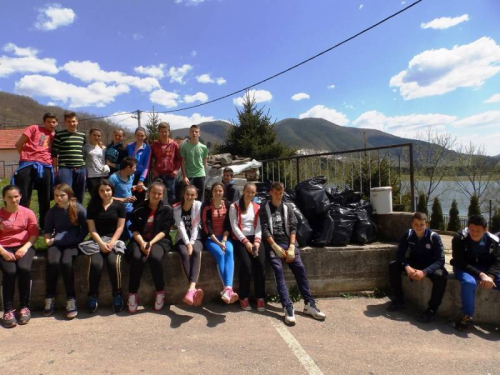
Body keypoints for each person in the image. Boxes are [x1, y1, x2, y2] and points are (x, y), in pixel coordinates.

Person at [260, 181, 326, 326]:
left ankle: (309, 303)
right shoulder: (264, 208)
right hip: (273, 244)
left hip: (288, 243)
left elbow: (293, 227)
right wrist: (274, 247)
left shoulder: (287, 207)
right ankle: (287, 306)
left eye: (280, 193)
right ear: (271, 192)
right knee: (278, 272)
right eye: (276, 193)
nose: (278, 195)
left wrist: (291, 246)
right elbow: (265, 229)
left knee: (300, 270)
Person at [387, 212, 448, 323]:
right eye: (416, 224)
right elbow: (400, 254)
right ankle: (399, 300)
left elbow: (441, 261)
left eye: (421, 224)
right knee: (393, 265)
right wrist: (407, 267)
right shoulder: (408, 234)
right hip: (415, 262)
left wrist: (424, 272)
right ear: (412, 224)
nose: (418, 227)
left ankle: (431, 310)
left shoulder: (433, 237)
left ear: (426, 224)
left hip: (430, 265)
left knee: (441, 276)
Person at [127, 181, 174, 313]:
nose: (156, 195)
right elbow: (134, 229)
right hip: (140, 239)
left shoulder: (167, 209)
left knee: (154, 258)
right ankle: (132, 293)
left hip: (159, 240)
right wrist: (142, 244)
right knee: (137, 258)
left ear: (163, 195)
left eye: (159, 193)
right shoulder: (139, 208)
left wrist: (150, 244)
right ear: (149, 193)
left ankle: (160, 291)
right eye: (154, 192)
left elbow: (164, 231)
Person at [42, 183, 88, 319]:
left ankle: (71, 299)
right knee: (52, 262)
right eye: (56, 195)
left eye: (62, 195)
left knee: (66, 263)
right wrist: (47, 240)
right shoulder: (52, 211)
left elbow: (85, 228)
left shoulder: (78, 209)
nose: (59, 198)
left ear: (69, 195)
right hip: (56, 243)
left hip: (72, 244)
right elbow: (48, 230)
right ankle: (50, 297)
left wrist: (77, 240)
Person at [83, 179, 126, 314]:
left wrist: (111, 242)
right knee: (96, 264)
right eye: (102, 190)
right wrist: (101, 244)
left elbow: (120, 227)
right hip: (97, 241)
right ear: (98, 192)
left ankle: (117, 294)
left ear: (112, 190)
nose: (105, 193)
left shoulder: (119, 206)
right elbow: (92, 229)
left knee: (114, 263)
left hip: (114, 240)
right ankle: (92, 295)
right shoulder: (92, 206)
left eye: (107, 190)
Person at [451, 214, 500, 331]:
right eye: (472, 229)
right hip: (464, 267)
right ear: (467, 228)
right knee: (469, 283)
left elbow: (497, 261)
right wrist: (481, 275)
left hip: (486, 270)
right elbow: (460, 262)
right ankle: (467, 317)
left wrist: (491, 276)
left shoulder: (493, 241)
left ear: (485, 229)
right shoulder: (459, 238)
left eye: (478, 230)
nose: (474, 233)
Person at [0, 185, 39, 328]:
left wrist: (24, 248)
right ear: (4, 198)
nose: (13, 199)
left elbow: (34, 233)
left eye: (16, 196)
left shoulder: (28, 213)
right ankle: (8, 310)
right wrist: (3, 252)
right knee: (9, 272)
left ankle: (24, 306)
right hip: (4, 248)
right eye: (9, 197)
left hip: (25, 246)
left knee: (24, 269)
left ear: (20, 196)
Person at [13, 112, 57, 229]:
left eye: (53, 122)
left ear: (56, 123)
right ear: (44, 122)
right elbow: (18, 144)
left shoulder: (55, 136)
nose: (51, 124)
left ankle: (45, 226)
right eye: (48, 121)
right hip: (28, 164)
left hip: (46, 166)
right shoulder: (34, 128)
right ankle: (23, 226)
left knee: (45, 198)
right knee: (24, 197)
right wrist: (27, 158)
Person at [229, 182, 265, 311]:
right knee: (246, 265)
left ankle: (260, 297)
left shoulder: (257, 207)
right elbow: (234, 227)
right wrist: (246, 242)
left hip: (255, 238)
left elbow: (259, 226)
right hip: (240, 239)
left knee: (260, 264)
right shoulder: (234, 206)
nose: (250, 194)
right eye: (248, 191)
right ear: (243, 191)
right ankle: (243, 297)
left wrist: (256, 242)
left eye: (253, 192)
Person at [201, 183, 238, 304]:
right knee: (220, 254)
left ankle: (227, 289)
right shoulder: (206, 206)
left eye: (220, 191)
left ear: (223, 192)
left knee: (230, 251)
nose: (218, 193)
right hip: (211, 239)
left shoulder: (227, 205)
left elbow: (229, 224)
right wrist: (218, 242)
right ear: (212, 192)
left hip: (224, 237)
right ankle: (228, 289)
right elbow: (206, 227)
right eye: (215, 191)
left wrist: (224, 240)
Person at [172, 185, 204, 306]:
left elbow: (196, 226)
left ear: (196, 196)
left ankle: (191, 289)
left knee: (196, 251)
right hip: (182, 238)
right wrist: (187, 243)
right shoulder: (176, 208)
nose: (190, 197)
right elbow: (180, 227)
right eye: (187, 194)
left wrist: (191, 243)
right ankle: (193, 290)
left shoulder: (198, 205)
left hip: (196, 237)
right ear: (183, 195)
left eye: (192, 195)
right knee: (184, 253)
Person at [52, 111, 87, 203]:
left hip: (80, 168)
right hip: (65, 168)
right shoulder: (59, 135)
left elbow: (83, 152)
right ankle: (64, 213)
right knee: (65, 193)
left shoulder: (82, 136)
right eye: (69, 121)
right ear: (65, 122)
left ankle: (77, 214)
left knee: (79, 194)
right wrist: (55, 168)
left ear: (77, 122)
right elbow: (54, 153)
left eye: (73, 121)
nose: (71, 124)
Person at [150, 122, 181, 205]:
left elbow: (178, 159)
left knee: (172, 196)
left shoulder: (174, 144)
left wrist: (176, 170)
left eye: (165, 131)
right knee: (156, 196)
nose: (164, 133)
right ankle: (158, 214)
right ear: (159, 132)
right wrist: (152, 170)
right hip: (158, 174)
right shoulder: (154, 145)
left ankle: (171, 214)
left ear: (169, 132)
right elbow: (149, 160)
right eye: (162, 131)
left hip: (171, 175)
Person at [109, 157, 137, 239]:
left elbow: (126, 188)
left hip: (129, 209)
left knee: (130, 234)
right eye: (135, 167)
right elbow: (107, 197)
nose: (136, 170)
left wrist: (135, 187)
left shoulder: (131, 177)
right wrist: (123, 200)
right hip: (117, 210)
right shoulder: (113, 178)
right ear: (128, 168)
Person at [180, 125, 208, 201]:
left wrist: (204, 173)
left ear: (199, 133)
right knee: (187, 197)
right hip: (189, 175)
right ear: (189, 133)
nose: (194, 133)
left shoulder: (204, 147)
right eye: (192, 131)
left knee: (199, 198)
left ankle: (199, 212)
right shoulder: (184, 146)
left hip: (200, 175)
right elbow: (182, 162)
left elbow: (205, 162)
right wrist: (184, 176)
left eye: (196, 132)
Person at [126, 127, 151, 206]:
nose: (140, 138)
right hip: (129, 175)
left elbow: (146, 166)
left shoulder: (147, 148)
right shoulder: (129, 146)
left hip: (141, 177)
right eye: (138, 135)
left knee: (139, 200)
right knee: (129, 198)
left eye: (142, 136)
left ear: (145, 136)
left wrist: (141, 180)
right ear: (135, 135)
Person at [84, 128, 110, 195]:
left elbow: (106, 159)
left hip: (103, 175)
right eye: (94, 135)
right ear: (90, 135)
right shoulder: (86, 147)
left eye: (98, 136)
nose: (96, 137)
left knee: (104, 196)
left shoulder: (103, 148)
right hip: (92, 176)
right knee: (94, 196)